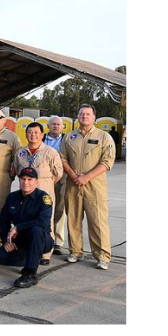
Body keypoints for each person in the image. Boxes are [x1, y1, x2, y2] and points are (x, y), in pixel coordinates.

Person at [61, 104, 116, 270]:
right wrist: (72, 175)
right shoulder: (69, 137)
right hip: (73, 185)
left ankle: (102, 256)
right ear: (77, 116)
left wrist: (87, 177)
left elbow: (107, 162)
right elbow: (62, 157)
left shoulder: (103, 137)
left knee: (98, 221)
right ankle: (75, 252)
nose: (84, 116)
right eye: (81, 114)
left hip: (95, 187)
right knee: (73, 220)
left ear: (94, 117)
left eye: (88, 114)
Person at [0, 167, 55, 288]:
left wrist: (18, 227)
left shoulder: (43, 198)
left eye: (29, 179)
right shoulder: (12, 197)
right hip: (21, 240)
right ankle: (31, 258)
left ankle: (30, 273)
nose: (26, 182)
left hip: (42, 240)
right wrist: (6, 241)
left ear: (36, 182)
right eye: (23, 179)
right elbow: (4, 220)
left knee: (36, 230)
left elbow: (42, 222)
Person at [12, 122, 63, 264]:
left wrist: (45, 183)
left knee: (46, 221)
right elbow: (16, 169)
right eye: (29, 132)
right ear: (26, 134)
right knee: (26, 219)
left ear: (42, 135)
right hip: (25, 192)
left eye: (36, 132)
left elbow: (58, 173)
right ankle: (28, 248)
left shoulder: (50, 152)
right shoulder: (21, 153)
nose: (33, 135)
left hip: (44, 191)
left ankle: (46, 254)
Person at [43, 115, 68, 254]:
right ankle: (45, 237)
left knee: (59, 209)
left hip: (61, 180)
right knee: (43, 208)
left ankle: (58, 241)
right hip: (43, 180)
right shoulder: (41, 138)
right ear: (48, 126)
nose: (56, 126)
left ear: (63, 126)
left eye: (59, 124)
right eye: (53, 124)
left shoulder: (67, 140)